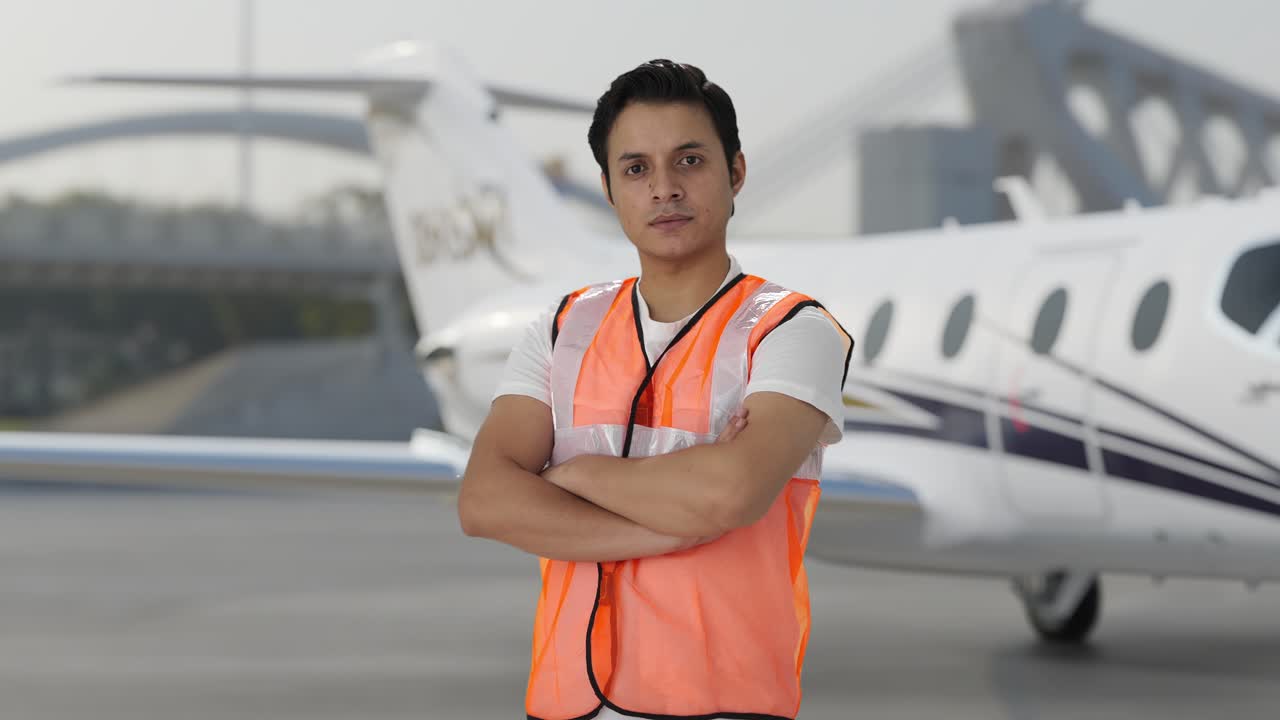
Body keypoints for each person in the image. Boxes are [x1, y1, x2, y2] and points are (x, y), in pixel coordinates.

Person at [457, 58, 853, 720]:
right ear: (610, 191)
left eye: (689, 161)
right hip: (567, 705)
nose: (663, 188)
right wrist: (675, 528)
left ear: (736, 172)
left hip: (721, 705)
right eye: (636, 169)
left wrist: (571, 473)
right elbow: (484, 502)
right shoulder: (563, 329)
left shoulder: (792, 331)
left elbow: (729, 492)